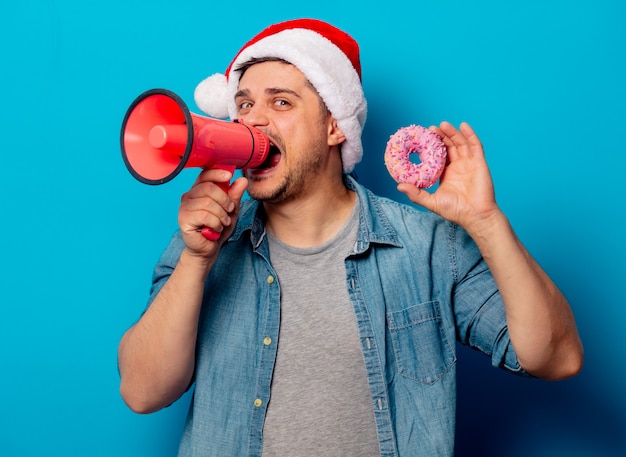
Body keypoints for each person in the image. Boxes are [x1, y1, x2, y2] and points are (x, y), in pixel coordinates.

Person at [117, 18, 583, 457]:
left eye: (281, 102)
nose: (251, 121)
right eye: (243, 104)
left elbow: (557, 357)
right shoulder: (204, 240)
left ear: (334, 125)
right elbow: (142, 392)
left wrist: (486, 223)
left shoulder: (427, 248)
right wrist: (197, 262)